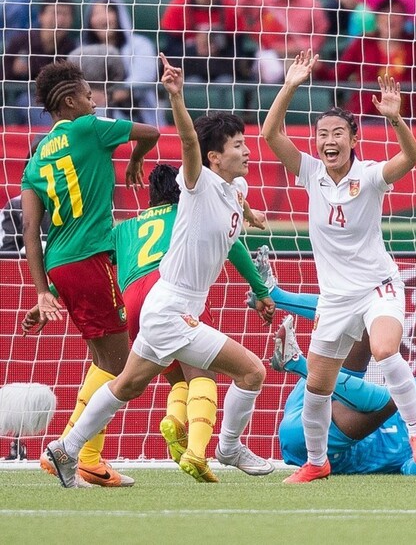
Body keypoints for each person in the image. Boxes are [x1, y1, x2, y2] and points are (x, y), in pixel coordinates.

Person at [42, 54, 274, 488]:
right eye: (237, 145)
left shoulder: (235, 186)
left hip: (164, 306)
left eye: (245, 143)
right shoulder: (197, 184)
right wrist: (177, 96)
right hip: (172, 310)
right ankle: (228, 446)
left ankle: (65, 449)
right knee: (252, 372)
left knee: (127, 386)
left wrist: (251, 214)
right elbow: (188, 142)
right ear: (214, 157)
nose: (246, 151)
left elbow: (237, 203)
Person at [23, 163, 274, 482]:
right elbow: (233, 245)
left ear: (150, 197)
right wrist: (261, 290)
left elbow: (92, 260)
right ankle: (201, 451)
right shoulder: (191, 214)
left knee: (125, 379)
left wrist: (49, 295)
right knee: (210, 372)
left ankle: (70, 450)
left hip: (134, 302)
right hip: (172, 295)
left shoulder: (126, 227)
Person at [262, 49, 416, 483]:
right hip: (336, 300)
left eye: (338, 133)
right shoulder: (310, 173)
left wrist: (395, 119)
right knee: (317, 387)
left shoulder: (371, 175)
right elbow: (270, 133)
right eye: (322, 134)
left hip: (378, 287)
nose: (329, 141)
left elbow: (411, 157)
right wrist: (290, 85)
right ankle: (316, 462)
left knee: (385, 350)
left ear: (353, 139)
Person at [20, 60, 160, 487]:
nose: (94, 101)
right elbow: (152, 132)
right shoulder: (90, 128)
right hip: (90, 260)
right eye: (87, 94)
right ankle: (77, 454)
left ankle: (77, 455)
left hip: (61, 264)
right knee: (121, 367)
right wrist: (136, 160)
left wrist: (43, 291)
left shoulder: (35, 158)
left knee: (104, 361)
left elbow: (30, 230)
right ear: (69, 101)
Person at [273, 315, 416, 475]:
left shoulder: (413, 452)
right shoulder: (412, 408)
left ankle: (297, 363)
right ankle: (275, 294)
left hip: (311, 444)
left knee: (392, 398)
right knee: (363, 323)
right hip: (304, 406)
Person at [328, 0, 416, 121]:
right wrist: (317, 67)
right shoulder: (363, 43)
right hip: (368, 118)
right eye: (385, 12)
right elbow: (337, 76)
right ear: (377, 17)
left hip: (408, 119)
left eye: (396, 13)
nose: (390, 17)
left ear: (404, 19)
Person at [80, 0, 162, 126]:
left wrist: (109, 96)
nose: (102, 18)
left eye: (108, 11)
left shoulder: (140, 45)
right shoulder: (82, 51)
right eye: (96, 13)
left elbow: (143, 78)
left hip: (137, 117)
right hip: (93, 116)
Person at [2, 0, 78, 125]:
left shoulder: (72, 49)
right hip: (22, 101)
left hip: (58, 102)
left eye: (65, 14)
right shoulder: (21, 42)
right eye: (55, 13)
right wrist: (15, 70)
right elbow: (4, 76)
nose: (59, 20)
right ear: (41, 16)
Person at [237, 0, 329, 84]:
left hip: (300, 52)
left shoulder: (310, 2)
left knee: (313, 63)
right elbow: (242, 3)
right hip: (270, 50)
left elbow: (319, 36)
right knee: (273, 71)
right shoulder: (265, 0)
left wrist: (294, 48)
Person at [160, 0, 252, 83]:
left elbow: (238, 51)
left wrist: (219, 48)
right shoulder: (177, 7)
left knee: (225, 81)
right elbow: (171, 51)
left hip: (223, 68)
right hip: (189, 69)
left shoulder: (231, 7)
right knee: (193, 82)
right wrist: (195, 49)